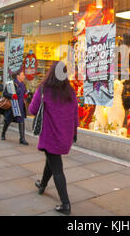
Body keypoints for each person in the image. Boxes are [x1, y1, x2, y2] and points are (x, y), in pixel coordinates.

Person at [29, 61, 78, 215]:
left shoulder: (44, 89)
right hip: (66, 135)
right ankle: (42, 184)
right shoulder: (70, 91)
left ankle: (65, 204)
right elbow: (76, 114)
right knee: (51, 160)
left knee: (57, 168)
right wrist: (74, 132)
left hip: (51, 135)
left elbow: (32, 109)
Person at [0, 70, 29, 145]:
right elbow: (4, 93)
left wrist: (25, 95)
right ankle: (3, 134)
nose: (24, 76)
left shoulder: (23, 84)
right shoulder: (11, 84)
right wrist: (11, 96)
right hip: (13, 107)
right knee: (7, 121)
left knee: (21, 121)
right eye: (22, 75)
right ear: (18, 76)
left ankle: (22, 139)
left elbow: (24, 93)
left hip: (20, 107)